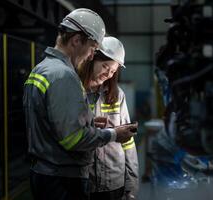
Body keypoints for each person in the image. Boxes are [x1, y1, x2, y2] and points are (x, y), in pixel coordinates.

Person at [23, 8, 137, 200]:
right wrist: (113, 134)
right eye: (92, 48)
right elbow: (73, 139)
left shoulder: (41, 69)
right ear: (76, 40)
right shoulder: (64, 76)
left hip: (46, 174)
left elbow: (53, 123)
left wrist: (89, 122)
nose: (91, 55)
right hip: (62, 180)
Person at [78, 36, 139, 200]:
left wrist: (131, 184)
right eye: (105, 66)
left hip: (113, 181)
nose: (108, 74)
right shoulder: (75, 91)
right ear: (92, 59)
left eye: (113, 71)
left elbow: (129, 142)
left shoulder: (117, 95)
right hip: (84, 180)